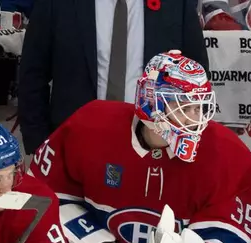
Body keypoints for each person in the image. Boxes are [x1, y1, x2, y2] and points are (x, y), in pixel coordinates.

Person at [28, 50, 251, 243]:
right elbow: (39, 194)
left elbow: (231, 242)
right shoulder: (91, 125)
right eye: (184, 107)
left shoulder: (227, 153)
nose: (195, 119)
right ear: (152, 102)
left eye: (199, 106)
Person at [18, 0, 209, 155]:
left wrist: (184, 138)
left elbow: (198, 73)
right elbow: (33, 74)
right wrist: (40, 144)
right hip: (73, 145)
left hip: (153, 145)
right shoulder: (57, 4)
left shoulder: (176, 4)